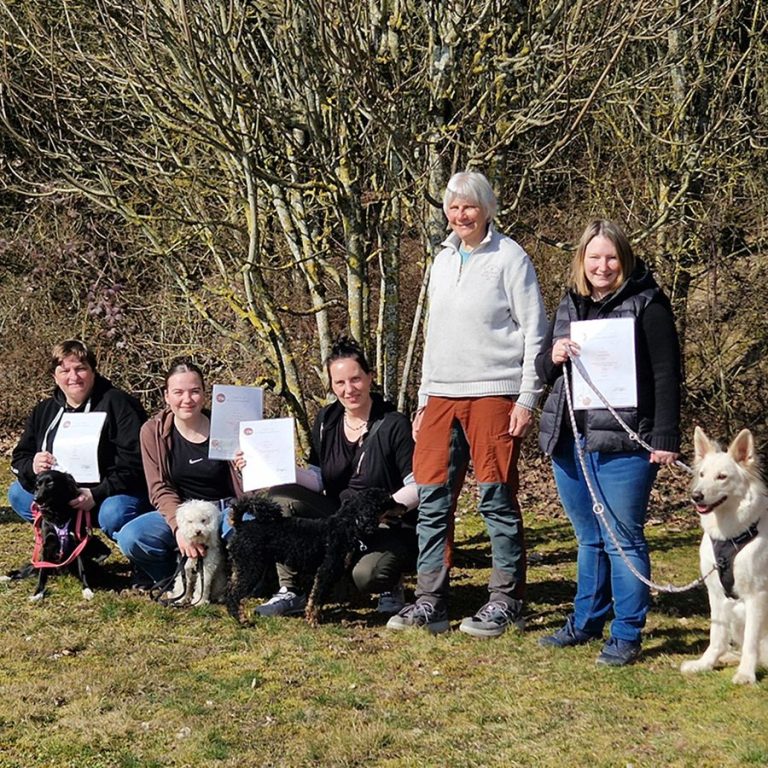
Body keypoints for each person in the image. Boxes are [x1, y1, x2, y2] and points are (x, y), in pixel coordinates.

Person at [387, 170, 547, 637]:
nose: (461, 215)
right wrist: (422, 396)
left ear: (487, 209)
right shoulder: (440, 259)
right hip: (440, 396)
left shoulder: (510, 258)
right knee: (432, 499)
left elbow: (535, 331)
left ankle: (505, 600)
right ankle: (431, 601)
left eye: (469, 206)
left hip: (494, 394)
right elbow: (433, 337)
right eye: (453, 207)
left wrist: (527, 397)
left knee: (496, 498)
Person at [535, 219, 681, 666]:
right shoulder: (568, 304)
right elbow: (543, 370)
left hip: (626, 443)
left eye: (611, 257)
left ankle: (626, 633)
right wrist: (552, 355)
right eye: (594, 257)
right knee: (589, 539)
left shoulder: (649, 305)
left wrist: (665, 437)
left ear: (625, 260)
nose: (602, 266)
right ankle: (585, 621)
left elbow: (666, 375)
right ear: (582, 260)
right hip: (570, 439)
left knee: (623, 539)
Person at [245, 335, 419, 618]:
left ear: (370, 377)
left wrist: (382, 511)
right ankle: (291, 589)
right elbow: (317, 479)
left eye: (356, 379)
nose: (349, 389)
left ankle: (391, 583)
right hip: (338, 518)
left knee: (367, 576)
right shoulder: (326, 420)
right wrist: (272, 465)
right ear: (331, 385)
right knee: (280, 495)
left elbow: (417, 485)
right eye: (340, 382)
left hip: (387, 524)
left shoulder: (394, 424)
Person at [115, 358, 243, 588]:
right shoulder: (152, 431)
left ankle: (234, 581)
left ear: (205, 394)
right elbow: (159, 488)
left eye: (195, 391)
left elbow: (251, 488)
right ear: (166, 396)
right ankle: (174, 577)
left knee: (248, 531)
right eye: (178, 392)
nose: (187, 399)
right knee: (131, 537)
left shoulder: (227, 425)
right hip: (183, 511)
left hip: (226, 509)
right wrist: (179, 527)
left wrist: (245, 468)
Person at [9, 339, 148, 548]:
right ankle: (64, 540)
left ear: (93, 371)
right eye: (65, 371)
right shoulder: (44, 411)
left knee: (114, 513)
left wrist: (96, 493)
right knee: (18, 494)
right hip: (62, 493)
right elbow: (20, 457)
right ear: (54, 376)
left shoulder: (120, 404)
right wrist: (33, 465)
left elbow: (137, 462)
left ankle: (139, 557)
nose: (73, 377)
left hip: (108, 494)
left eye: (80, 369)